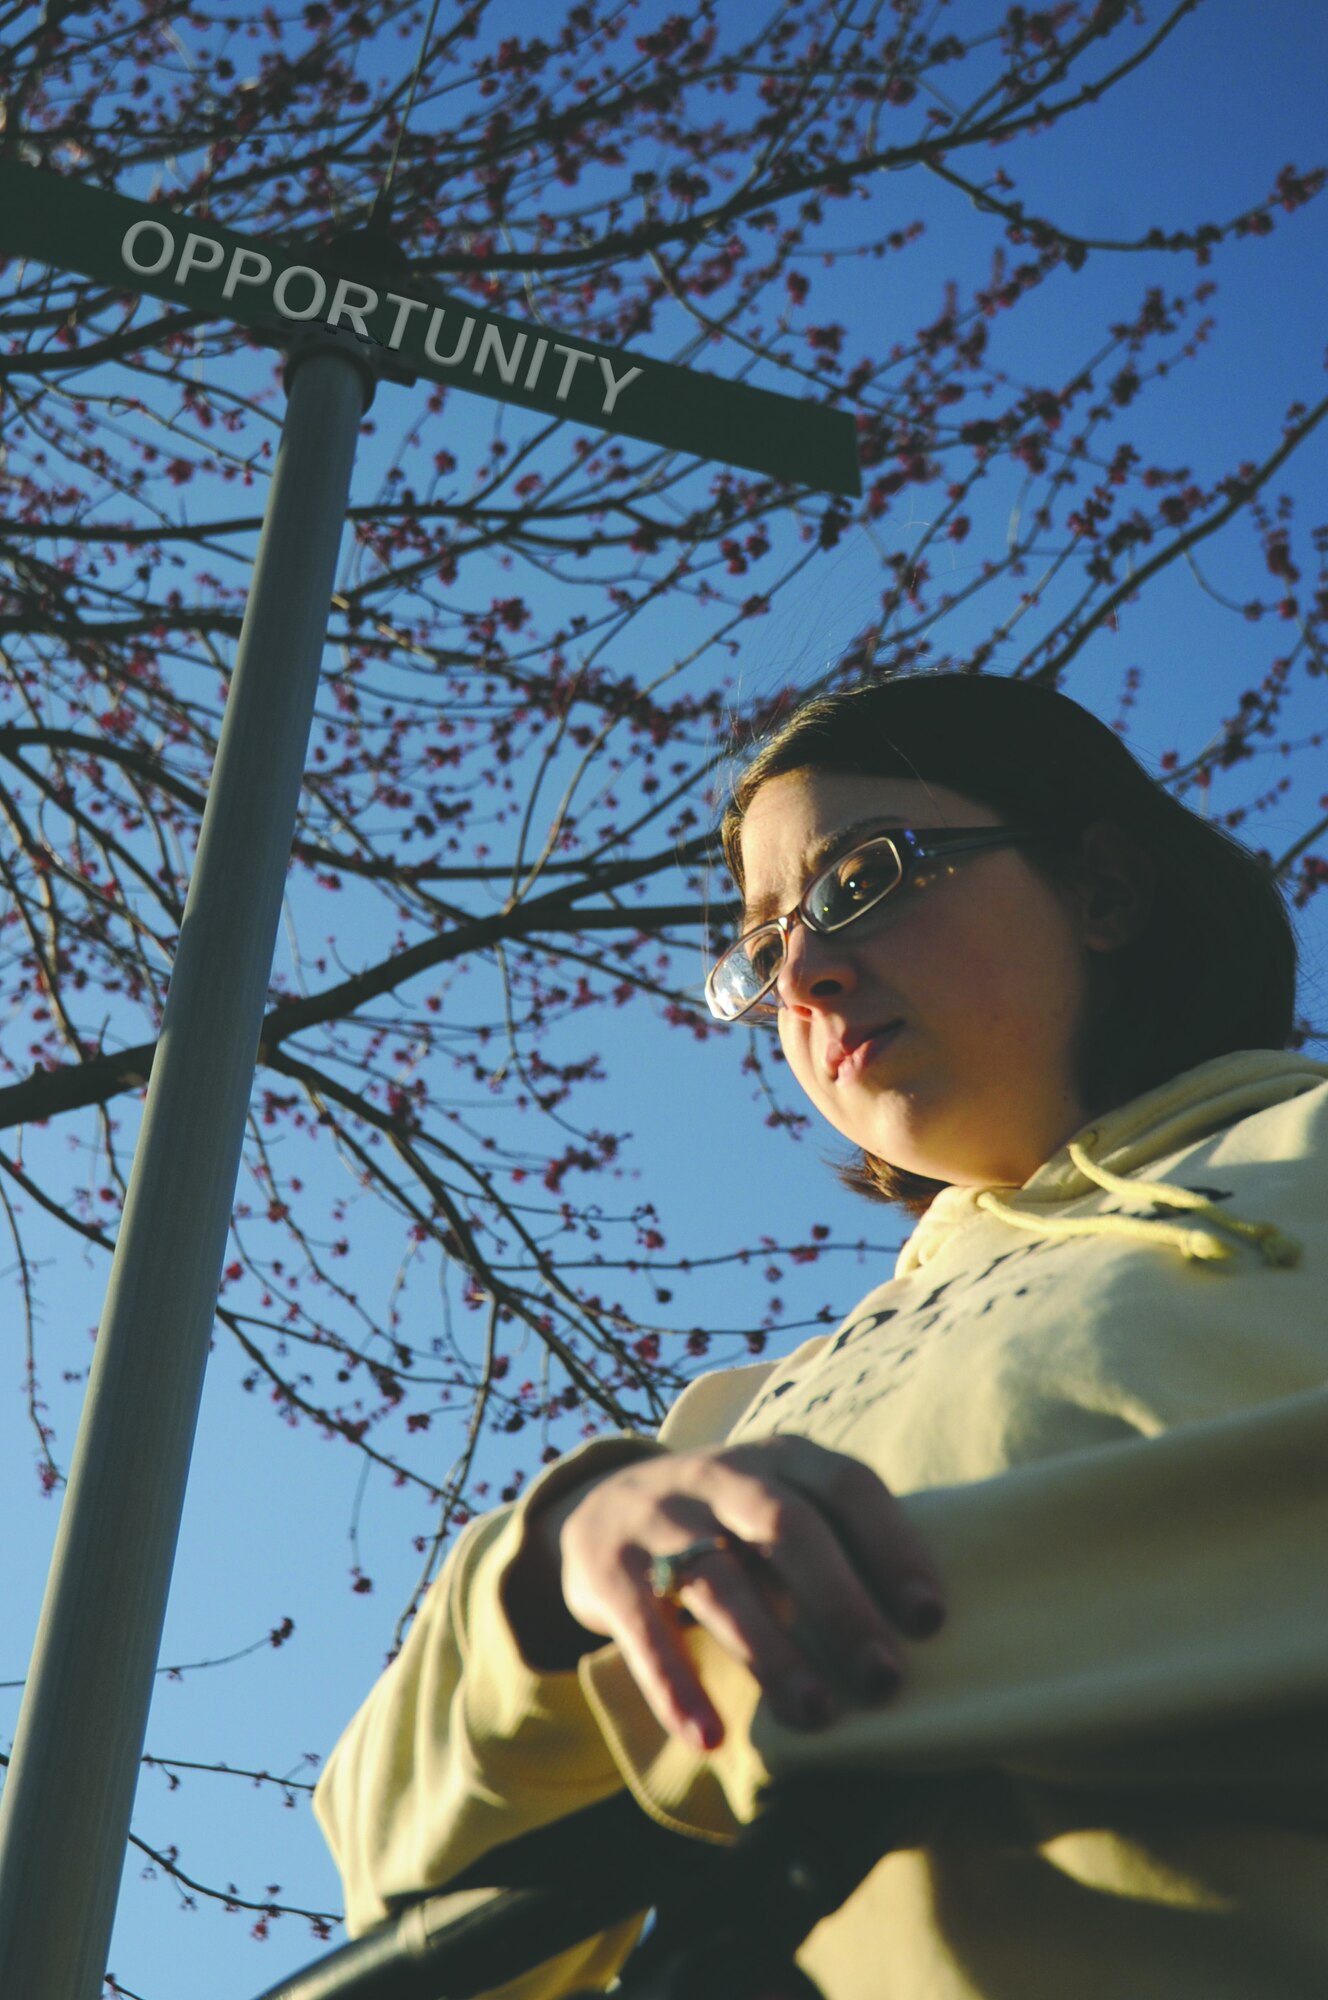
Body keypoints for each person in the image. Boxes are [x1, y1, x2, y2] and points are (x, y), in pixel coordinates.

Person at [313, 671, 1328, 1999]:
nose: (804, 972)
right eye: (760, 944)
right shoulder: (733, 1424)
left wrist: (733, 1683)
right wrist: (551, 1569)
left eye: (865, 878)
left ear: (1105, 891)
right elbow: (399, 1888)